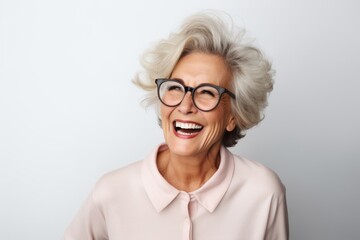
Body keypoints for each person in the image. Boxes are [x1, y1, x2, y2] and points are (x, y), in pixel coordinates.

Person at [64, 11, 289, 240]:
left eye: (207, 92)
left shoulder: (264, 193)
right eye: (175, 88)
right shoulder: (111, 192)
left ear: (233, 115)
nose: (185, 105)